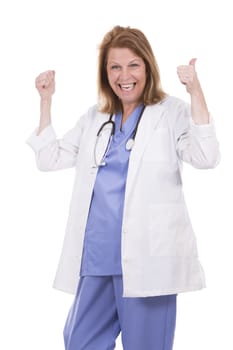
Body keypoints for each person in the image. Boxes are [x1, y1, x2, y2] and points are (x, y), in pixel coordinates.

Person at [27, 25, 220, 350]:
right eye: (115, 66)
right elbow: (49, 158)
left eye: (133, 65)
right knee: (80, 342)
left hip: (148, 260)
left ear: (147, 67)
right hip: (96, 258)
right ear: (106, 73)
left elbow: (206, 156)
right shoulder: (96, 116)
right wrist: (46, 101)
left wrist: (195, 91)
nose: (124, 75)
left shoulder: (170, 112)